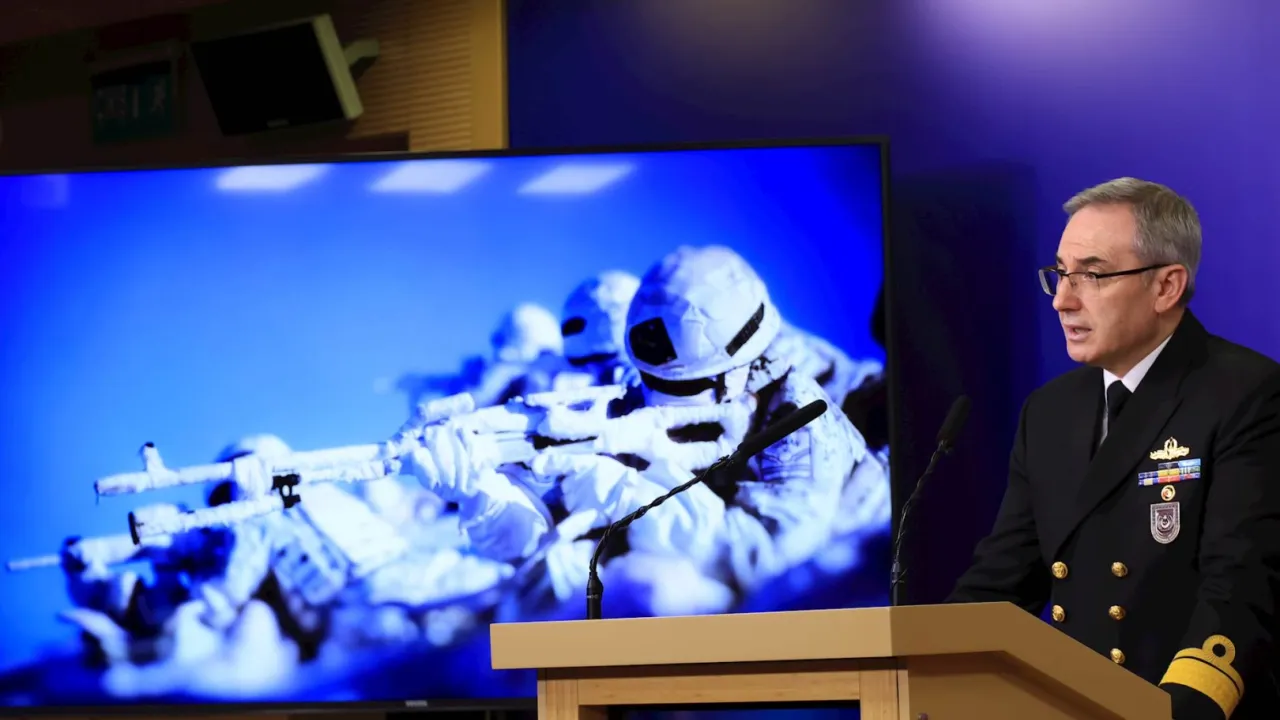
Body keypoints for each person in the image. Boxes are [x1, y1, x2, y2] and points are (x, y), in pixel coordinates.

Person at [947, 178, 1280, 720]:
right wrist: (921, 666)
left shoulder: (1247, 393)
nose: (1062, 300)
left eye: (1093, 275)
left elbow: (1240, 587)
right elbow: (1001, 580)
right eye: (1060, 273)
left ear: (1167, 286)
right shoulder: (1049, 412)